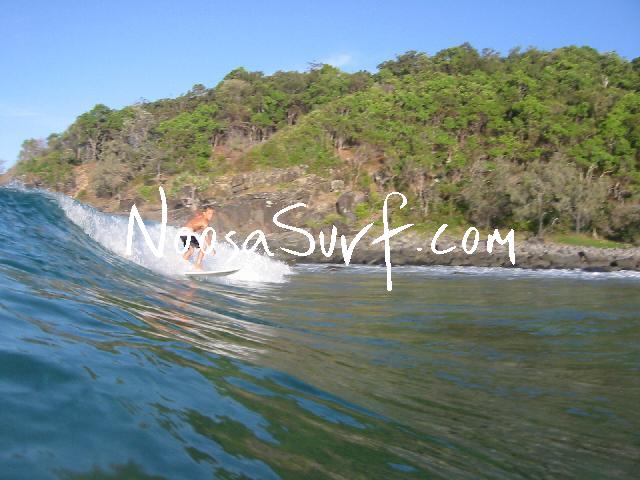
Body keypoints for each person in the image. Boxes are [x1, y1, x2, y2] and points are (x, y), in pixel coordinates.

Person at [180, 206, 216, 270]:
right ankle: (197, 265)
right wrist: (211, 248)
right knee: (194, 249)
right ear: (204, 213)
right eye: (209, 213)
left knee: (193, 249)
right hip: (186, 233)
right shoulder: (205, 222)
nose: (211, 215)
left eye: (212, 214)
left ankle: (183, 262)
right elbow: (206, 236)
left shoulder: (201, 217)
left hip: (185, 232)